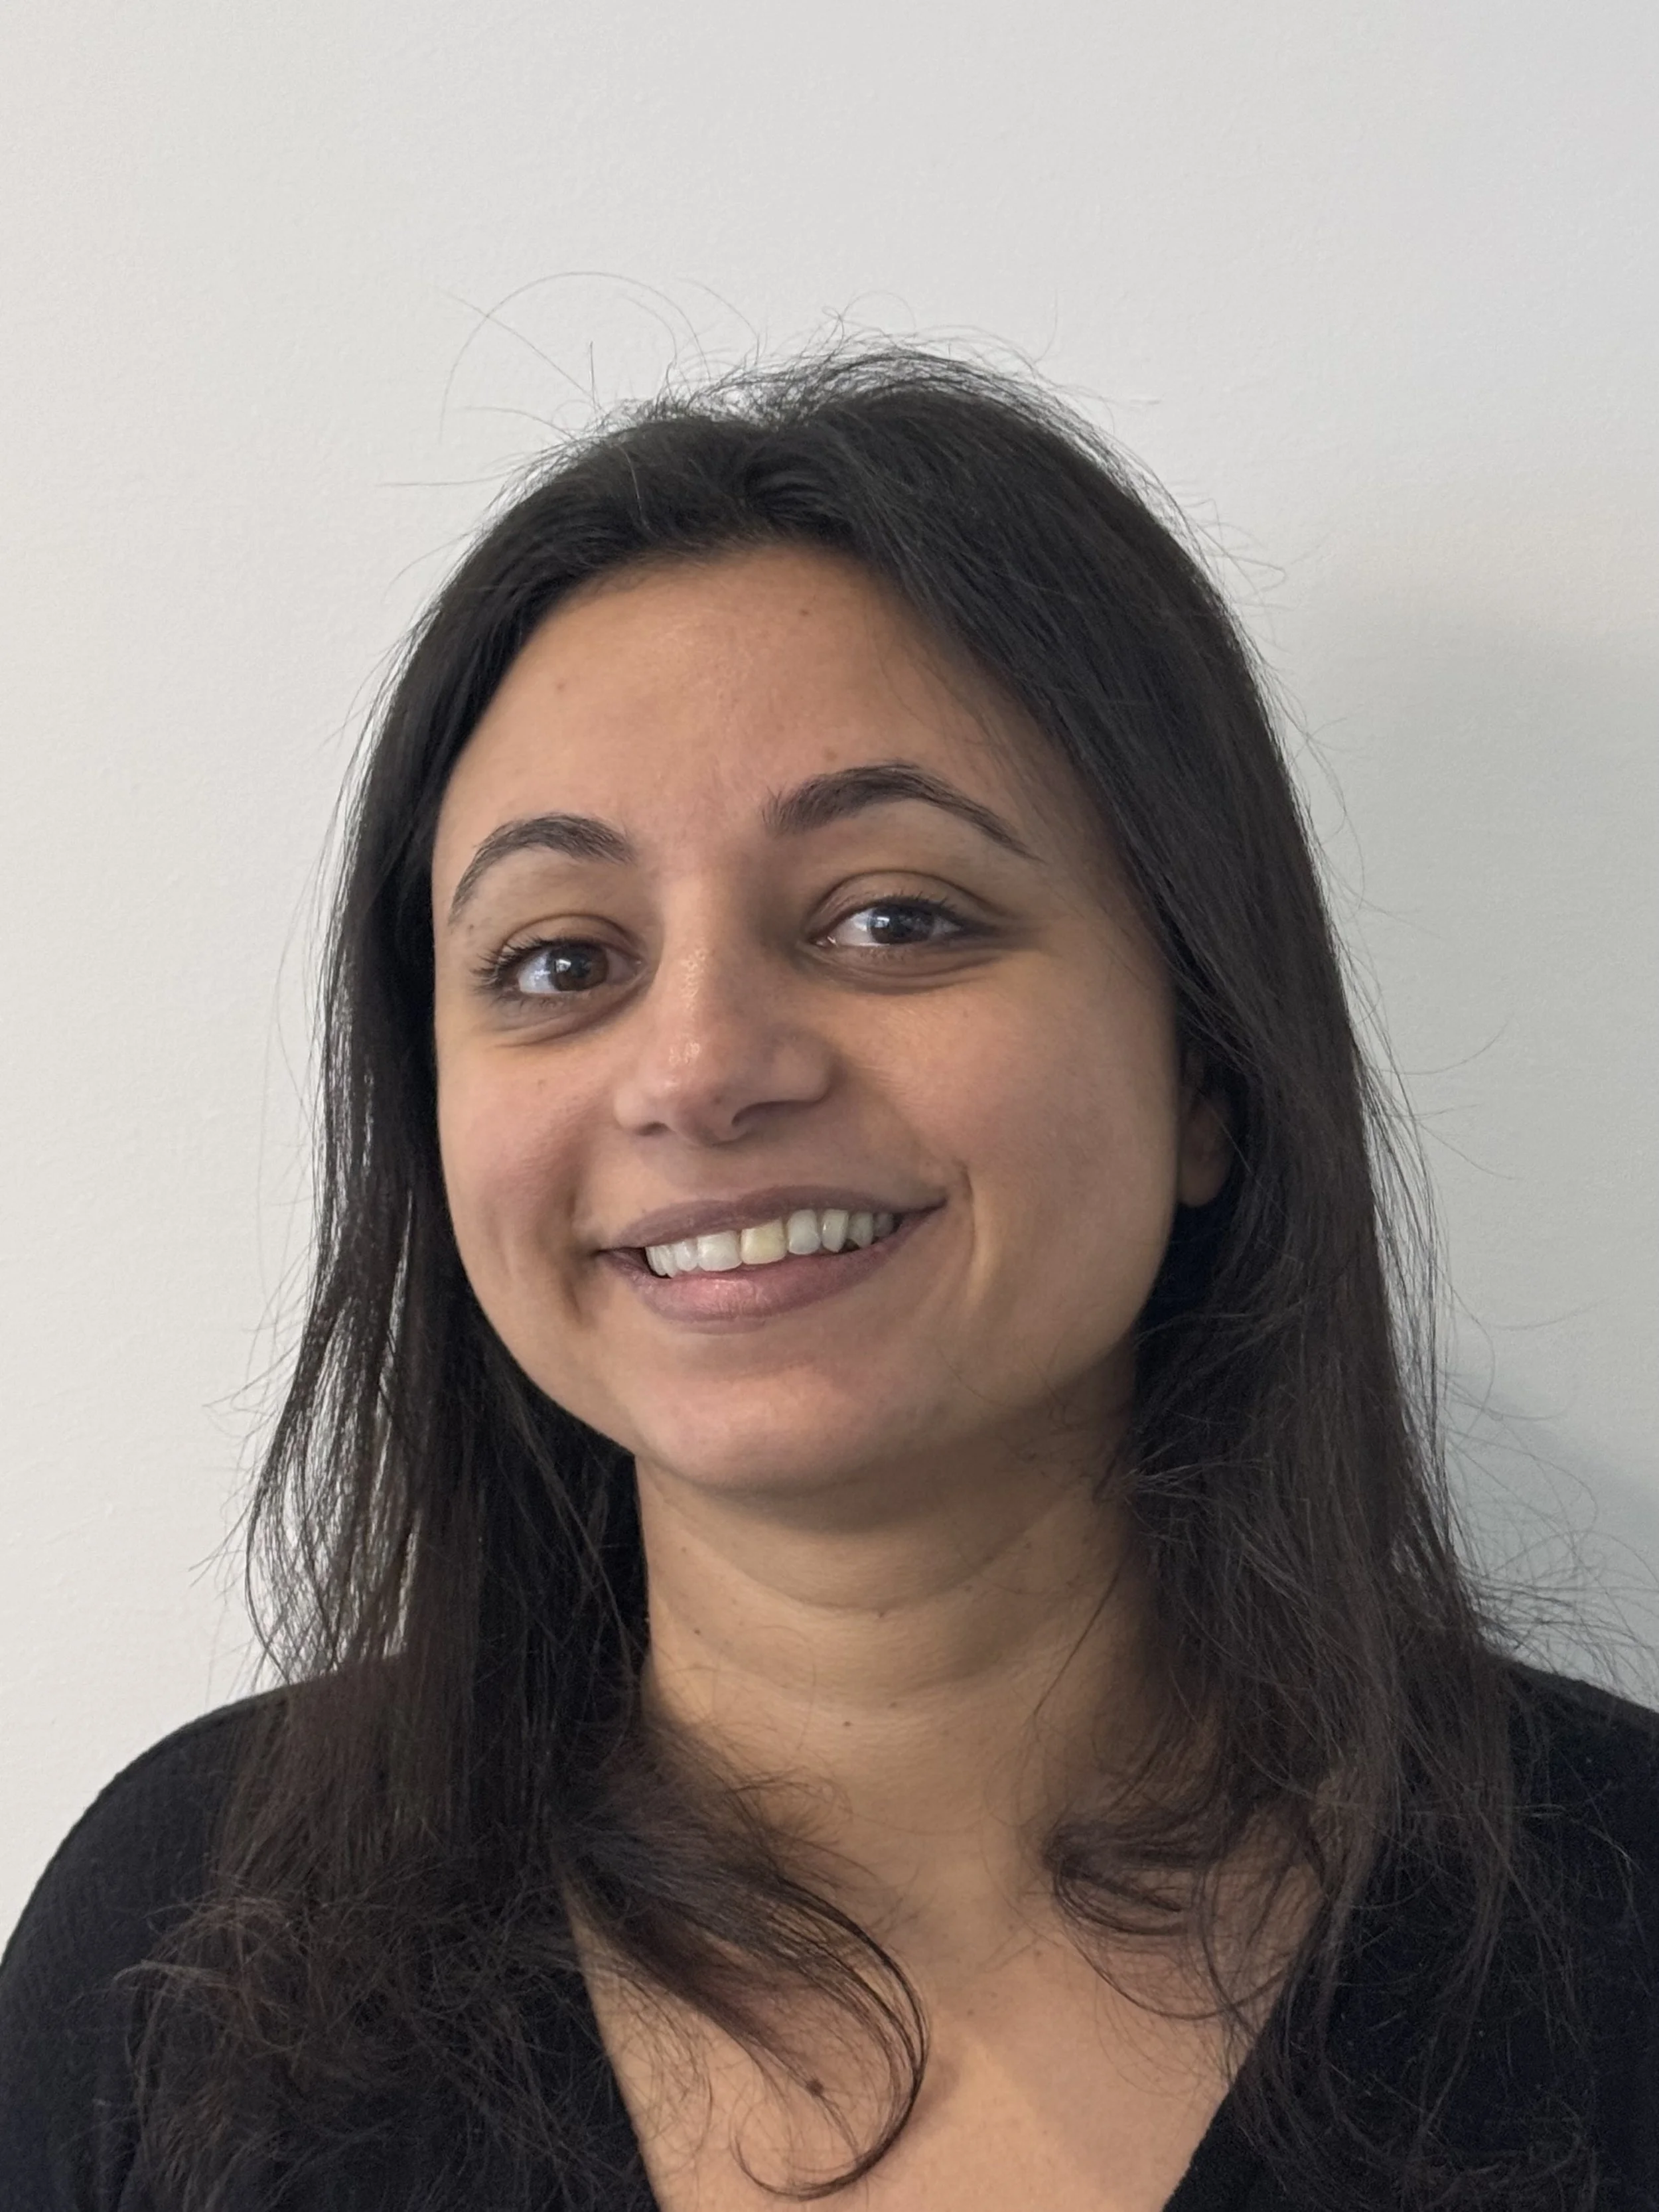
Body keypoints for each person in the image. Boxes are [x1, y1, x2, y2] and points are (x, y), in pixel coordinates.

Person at [3, 345, 1656, 2212]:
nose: (699, 1067)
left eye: (893, 916)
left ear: (1204, 1063)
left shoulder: (1621, 1939)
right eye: (561, 961)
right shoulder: (187, 1945)